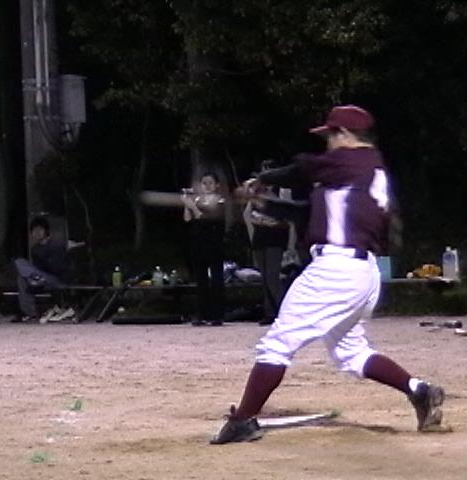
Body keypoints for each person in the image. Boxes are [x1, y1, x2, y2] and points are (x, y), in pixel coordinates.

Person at [210, 105, 446, 444]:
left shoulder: (355, 160)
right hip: (359, 272)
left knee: (276, 344)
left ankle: (243, 420)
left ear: (346, 135)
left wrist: (261, 179)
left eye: (331, 136)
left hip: (335, 271)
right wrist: (262, 202)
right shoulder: (359, 173)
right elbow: (309, 214)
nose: (328, 143)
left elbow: (302, 168)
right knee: (351, 352)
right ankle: (419, 390)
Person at [243, 160, 297, 326]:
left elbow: (290, 218)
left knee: (273, 276)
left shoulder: (282, 191)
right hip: (260, 236)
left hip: (276, 236)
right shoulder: (257, 191)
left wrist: (291, 243)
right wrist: (252, 232)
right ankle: (270, 312)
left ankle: (284, 311)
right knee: (264, 276)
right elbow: (247, 214)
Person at [182, 172, 227, 327]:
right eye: (204, 183)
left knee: (216, 279)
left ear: (217, 185)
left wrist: (193, 207)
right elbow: (187, 219)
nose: (207, 186)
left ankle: (217, 315)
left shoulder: (219, 201)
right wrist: (187, 205)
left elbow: (204, 217)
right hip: (199, 244)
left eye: (210, 183)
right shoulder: (197, 200)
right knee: (201, 280)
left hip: (214, 244)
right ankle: (202, 314)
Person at [13, 216, 72, 323]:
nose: (37, 233)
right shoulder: (35, 249)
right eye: (34, 231)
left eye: (40, 229)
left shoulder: (56, 245)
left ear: (46, 231)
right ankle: (31, 313)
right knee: (21, 277)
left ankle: (36, 278)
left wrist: (41, 272)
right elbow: (37, 267)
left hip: (56, 279)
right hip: (41, 280)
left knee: (22, 265)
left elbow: (60, 268)